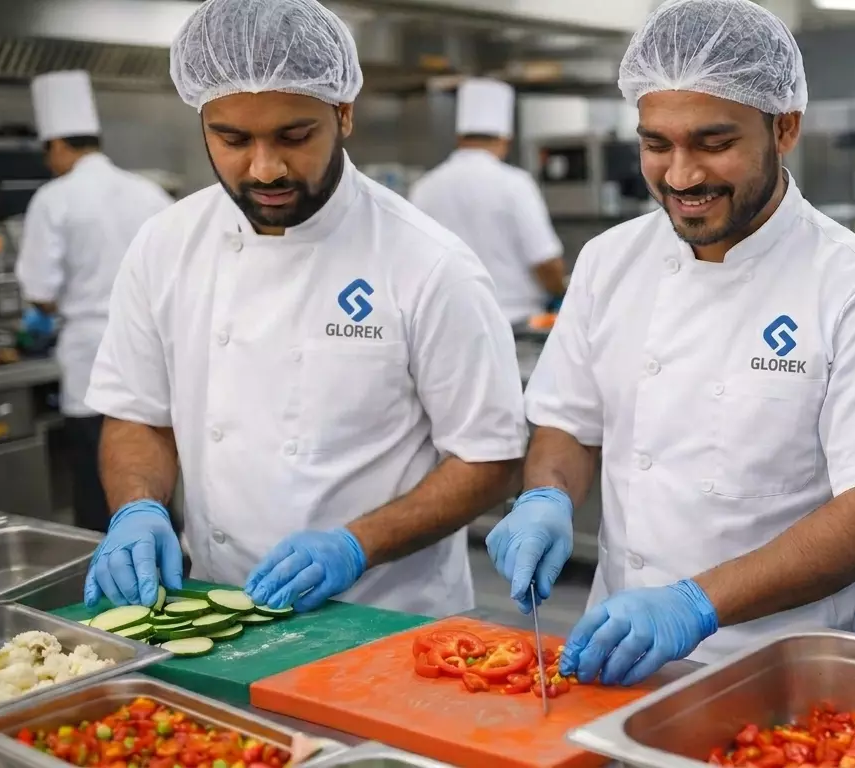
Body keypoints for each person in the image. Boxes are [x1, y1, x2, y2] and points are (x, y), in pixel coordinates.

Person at [486, 0, 855, 687]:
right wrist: (545, 497)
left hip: (782, 674)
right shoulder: (611, 261)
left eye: (713, 142)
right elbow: (568, 423)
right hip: (616, 656)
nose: (680, 176)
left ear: (783, 128)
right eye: (656, 143)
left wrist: (696, 603)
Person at [80, 0, 528, 617]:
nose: (265, 167)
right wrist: (138, 507)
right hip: (219, 603)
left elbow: (490, 458)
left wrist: (356, 544)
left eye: (294, 136)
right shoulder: (165, 244)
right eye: (232, 138)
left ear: (343, 114)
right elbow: (137, 414)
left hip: (385, 617)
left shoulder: (428, 262)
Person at [14, 70, 173, 533]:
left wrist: (42, 318)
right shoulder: (149, 193)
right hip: (153, 357)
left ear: (57, 145)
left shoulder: (53, 199)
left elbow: (40, 290)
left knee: (98, 490)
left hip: (90, 363)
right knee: (157, 482)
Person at [409, 78, 566, 325]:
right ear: (505, 139)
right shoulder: (515, 184)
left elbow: (413, 263)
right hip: (513, 325)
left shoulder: (424, 187)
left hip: (447, 325)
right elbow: (545, 262)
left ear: (459, 136)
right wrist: (561, 294)